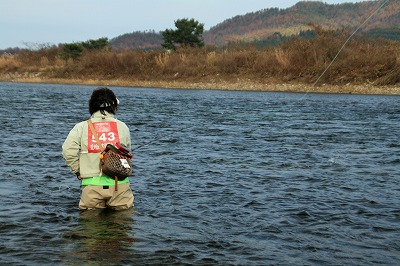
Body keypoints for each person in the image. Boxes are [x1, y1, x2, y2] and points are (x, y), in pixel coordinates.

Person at [62, 87, 134, 210]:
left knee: (91, 226)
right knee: (122, 225)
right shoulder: (123, 127)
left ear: (92, 106)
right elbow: (127, 155)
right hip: (119, 184)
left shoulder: (81, 127)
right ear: (114, 106)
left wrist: (77, 171)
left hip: (91, 185)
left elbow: (68, 151)